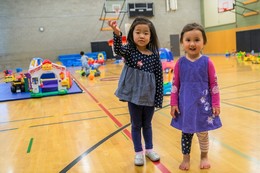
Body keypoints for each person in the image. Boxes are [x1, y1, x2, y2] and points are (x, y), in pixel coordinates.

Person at [108, 17, 163, 166]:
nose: (141, 36)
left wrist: (158, 99)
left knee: (148, 124)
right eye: (138, 32)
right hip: (134, 97)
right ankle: (138, 152)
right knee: (136, 124)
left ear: (151, 36)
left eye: (146, 33)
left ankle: (149, 149)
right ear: (132, 34)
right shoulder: (130, 51)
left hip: (149, 98)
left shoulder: (154, 57)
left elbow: (159, 79)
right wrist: (117, 33)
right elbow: (118, 49)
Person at [170, 23, 222, 170]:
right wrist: (173, 103)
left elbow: (214, 85)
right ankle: (186, 159)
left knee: (203, 133)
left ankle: (204, 156)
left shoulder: (207, 62)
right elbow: (175, 86)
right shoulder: (180, 63)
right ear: (182, 42)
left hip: (203, 106)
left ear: (203, 42)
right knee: (186, 134)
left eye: (197, 39)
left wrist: (216, 104)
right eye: (188, 40)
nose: (192, 43)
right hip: (185, 107)